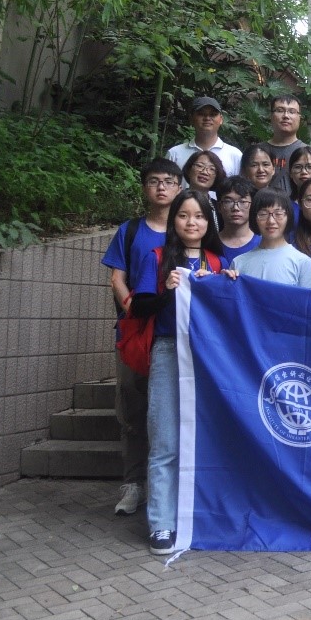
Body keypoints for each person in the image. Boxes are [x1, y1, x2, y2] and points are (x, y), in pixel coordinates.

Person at [128, 189, 225, 555]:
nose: (191, 222)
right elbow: (138, 307)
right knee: (165, 440)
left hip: (208, 358)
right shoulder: (156, 258)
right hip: (169, 351)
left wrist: (229, 282)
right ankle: (161, 523)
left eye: (199, 216)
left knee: (207, 439)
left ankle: (200, 516)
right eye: (183, 215)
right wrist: (168, 291)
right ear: (174, 221)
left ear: (208, 222)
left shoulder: (218, 262)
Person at [100, 159, 182, 518]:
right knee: (133, 408)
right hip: (135, 332)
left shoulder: (187, 227)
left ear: (180, 187)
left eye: (168, 181)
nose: (161, 188)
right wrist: (134, 307)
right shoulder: (130, 230)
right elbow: (117, 278)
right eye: (153, 181)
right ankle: (133, 484)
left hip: (175, 333)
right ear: (144, 188)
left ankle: (169, 487)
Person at [228, 189, 311, 290]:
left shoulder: (302, 262)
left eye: (278, 214)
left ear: (288, 217)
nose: (271, 221)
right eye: (263, 214)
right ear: (254, 218)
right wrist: (226, 280)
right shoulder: (239, 263)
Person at [165, 96, 243, 177]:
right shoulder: (175, 154)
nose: (207, 118)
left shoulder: (235, 155)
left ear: (221, 119)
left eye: (213, 114)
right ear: (191, 119)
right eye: (201, 114)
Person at [266, 95, 311, 193]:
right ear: (271, 116)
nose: (286, 116)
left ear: (299, 118)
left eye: (292, 111)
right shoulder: (257, 152)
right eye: (280, 110)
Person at [215, 176, 260, 260]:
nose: (235, 208)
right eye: (228, 201)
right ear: (219, 207)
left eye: (243, 202)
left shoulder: (263, 244)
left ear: (253, 206)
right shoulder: (210, 244)